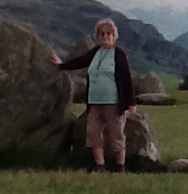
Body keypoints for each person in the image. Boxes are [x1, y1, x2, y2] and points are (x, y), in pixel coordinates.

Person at [53, 18, 136, 173]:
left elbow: (126, 78)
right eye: (102, 34)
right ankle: (100, 166)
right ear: (97, 36)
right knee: (92, 133)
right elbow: (79, 62)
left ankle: (120, 168)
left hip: (113, 102)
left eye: (109, 33)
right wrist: (61, 65)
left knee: (116, 134)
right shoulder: (95, 53)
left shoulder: (119, 54)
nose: (105, 36)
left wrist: (131, 102)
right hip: (94, 102)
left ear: (114, 35)